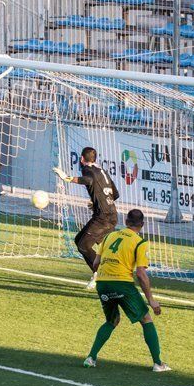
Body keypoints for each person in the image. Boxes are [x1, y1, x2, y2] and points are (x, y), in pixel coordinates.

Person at [83, 209, 170, 372]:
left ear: (126, 221)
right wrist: (151, 300)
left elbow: (95, 264)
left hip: (102, 283)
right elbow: (141, 274)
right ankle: (158, 363)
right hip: (122, 284)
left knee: (112, 321)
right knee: (146, 319)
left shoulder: (109, 237)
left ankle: (91, 357)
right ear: (142, 225)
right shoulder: (139, 242)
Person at [53, 147, 119, 289]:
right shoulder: (103, 171)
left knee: (84, 245)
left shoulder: (87, 170)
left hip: (103, 218)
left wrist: (67, 178)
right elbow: (115, 194)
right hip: (110, 215)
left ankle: (101, 273)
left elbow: (88, 180)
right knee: (79, 241)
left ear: (82, 159)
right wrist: (96, 202)